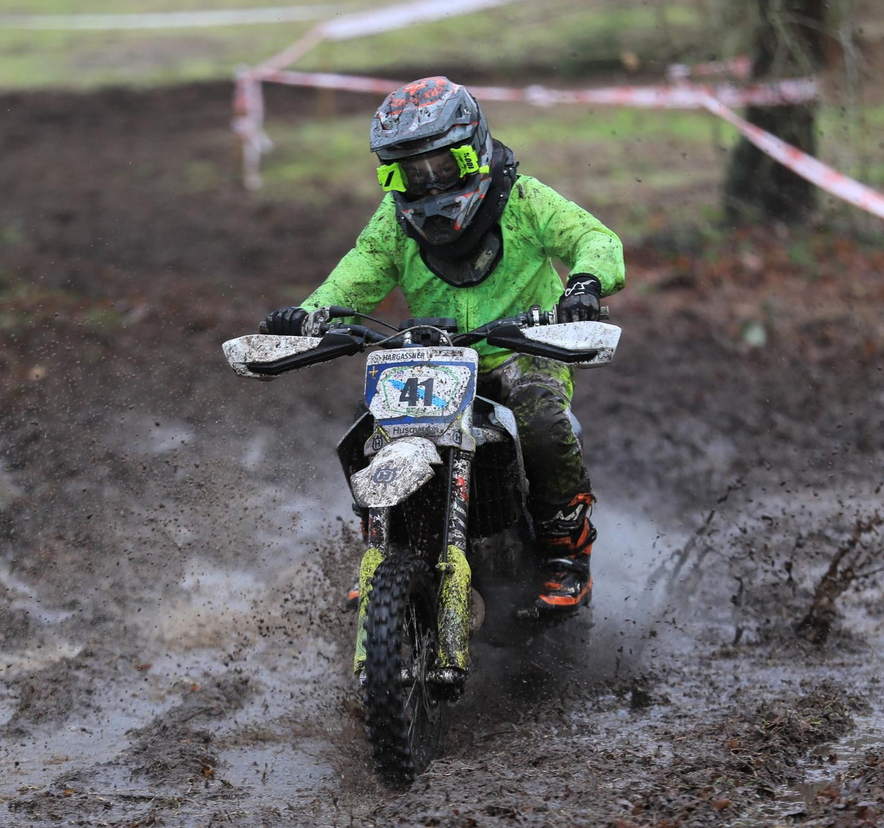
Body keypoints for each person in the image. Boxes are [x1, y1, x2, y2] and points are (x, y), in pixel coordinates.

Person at [262, 76, 625, 613]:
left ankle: (563, 552)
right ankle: (387, 545)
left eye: (441, 167)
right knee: (374, 425)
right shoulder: (393, 224)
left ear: (473, 153)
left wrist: (585, 284)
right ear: (393, 175)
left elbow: (595, 239)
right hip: (435, 361)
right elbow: (354, 276)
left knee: (540, 417)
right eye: (413, 173)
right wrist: (311, 314)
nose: (430, 186)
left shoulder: (523, 199)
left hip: (525, 351)